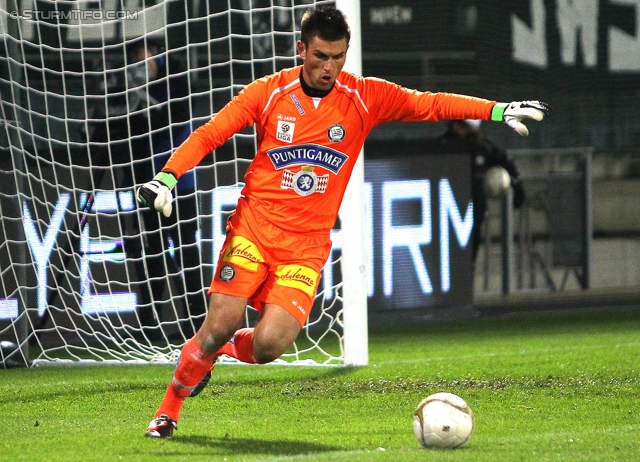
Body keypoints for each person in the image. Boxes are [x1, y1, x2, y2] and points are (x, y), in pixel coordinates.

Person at [137, 6, 549, 438]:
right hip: (254, 229)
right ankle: (168, 412)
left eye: (338, 57)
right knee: (217, 325)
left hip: (307, 245)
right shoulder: (268, 93)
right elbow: (210, 133)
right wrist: (167, 176)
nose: (329, 67)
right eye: (320, 56)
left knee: (270, 345)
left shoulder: (363, 96)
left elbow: (428, 104)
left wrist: (495, 111)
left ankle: (213, 354)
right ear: (302, 50)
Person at [87, 39, 206, 339]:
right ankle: (148, 324)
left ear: (157, 59)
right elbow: (123, 127)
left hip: (180, 183)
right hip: (144, 180)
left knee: (187, 251)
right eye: (135, 66)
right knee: (150, 251)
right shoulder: (125, 88)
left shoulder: (177, 81)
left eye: (145, 63)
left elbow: (171, 121)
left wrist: (144, 99)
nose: (140, 71)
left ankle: (198, 322)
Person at [431, 119, 526, 260]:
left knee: (468, 260)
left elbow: (505, 161)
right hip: (445, 215)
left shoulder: (482, 147)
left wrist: (518, 189)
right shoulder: (441, 146)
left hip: (474, 212)